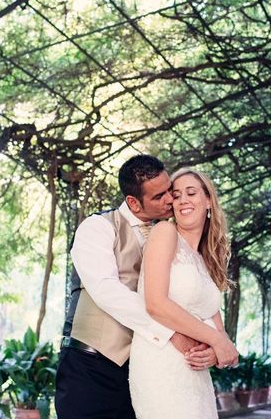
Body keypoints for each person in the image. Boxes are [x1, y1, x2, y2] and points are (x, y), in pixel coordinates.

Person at [55, 155, 217, 419]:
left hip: (146, 372)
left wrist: (208, 343)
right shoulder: (98, 227)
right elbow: (108, 292)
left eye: (170, 191)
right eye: (159, 196)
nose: (170, 200)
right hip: (91, 367)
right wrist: (172, 333)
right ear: (133, 202)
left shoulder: (173, 239)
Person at [129, 168, 238, 418]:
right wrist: (218, 341)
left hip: (196, 372)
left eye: (191, 193)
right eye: (176, 196)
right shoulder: (165, 232)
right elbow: (155, 304)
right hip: (161, 363)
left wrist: (214, 350)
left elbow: (217, 326)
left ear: (208, 200)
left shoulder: (206, 259)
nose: (183, 200)